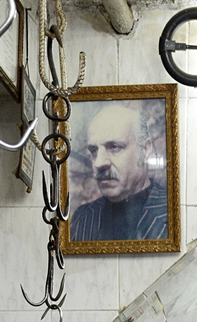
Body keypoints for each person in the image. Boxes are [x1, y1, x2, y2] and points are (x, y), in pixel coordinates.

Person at [69, 104, 168, 242]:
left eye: (114, 147)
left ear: (145, 150)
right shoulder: (82, 218)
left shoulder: (172, 213)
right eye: (94, 151)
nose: (99, 163)